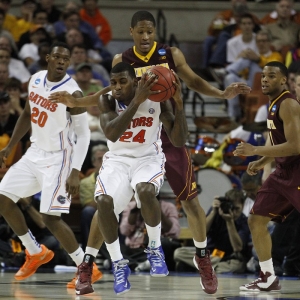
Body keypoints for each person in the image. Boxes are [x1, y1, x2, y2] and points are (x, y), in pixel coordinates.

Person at [49, 10, 252, 296]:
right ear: (131, 32)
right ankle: (89, 260)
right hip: (135, 136)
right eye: (140, 32)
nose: (145, 37)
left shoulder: (171, 54)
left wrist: (220, 94)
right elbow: (113, 90)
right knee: (105, 205)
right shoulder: (122, 61)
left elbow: (192, 81)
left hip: (165, 128)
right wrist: (79, 101)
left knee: (190, 199)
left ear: (154, 33)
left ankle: (202, 256)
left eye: (150, 32)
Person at [0, 41, 104, 284]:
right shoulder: (35, 79)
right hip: (35, 152)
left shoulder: (73, 92)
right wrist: (11, 144)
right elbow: (27, 113)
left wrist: (75, 171)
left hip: (60, 158)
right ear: (48, 58)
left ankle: (88, 268)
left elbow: (84, 134)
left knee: (50, 218)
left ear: (68, 63)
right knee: (3, 200)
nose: (61, 62)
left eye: (65, 60)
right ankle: (35, 252)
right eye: (57, 57)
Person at [233, 61, 300, 291]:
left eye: (271, 76)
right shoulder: (272, 103)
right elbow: (277, 138)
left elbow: (295, 146)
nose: (264, 79)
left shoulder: (288, 104)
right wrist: (262, 161)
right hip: (282, 173)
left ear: (284, 80)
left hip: (298, 172)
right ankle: (268, 276)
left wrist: (255, 150)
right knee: (255, 219)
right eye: (263, 76)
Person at [174, 189, 250, 274]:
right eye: (231, 208)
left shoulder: (244, 222)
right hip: (208, 254)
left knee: (238, 266)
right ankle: (209, 267)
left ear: (243, 206)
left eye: (237, 209)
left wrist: (229, 221)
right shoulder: (216, 211)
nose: (233, 212)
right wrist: (213, 211)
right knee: (178, 253)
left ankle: (202, 267)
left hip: (227, 257)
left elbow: (237, 248)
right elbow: (200, 233)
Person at [79, 144, 108, 251]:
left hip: (116, 211)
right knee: (87, 211)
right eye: (100, 159)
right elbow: (89, 204)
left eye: (106, 159)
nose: (103, 162)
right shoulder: (85, 182)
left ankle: (123, 250)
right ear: (93, 162)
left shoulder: (120, 179)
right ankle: (89, 250)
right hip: (98, 211)